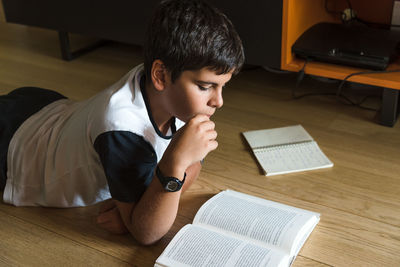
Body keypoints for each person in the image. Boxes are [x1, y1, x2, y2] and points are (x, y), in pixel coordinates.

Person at [0, 0, 244, 245]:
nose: (219, 101)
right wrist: (173, 165)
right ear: (160, 75)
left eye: (223, 86)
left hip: (49, 112)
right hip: (17, 152)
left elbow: (190, 166)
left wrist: (142, 206)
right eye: (205, 86)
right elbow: (148, 233)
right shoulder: (121, 128)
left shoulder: (174, 95)